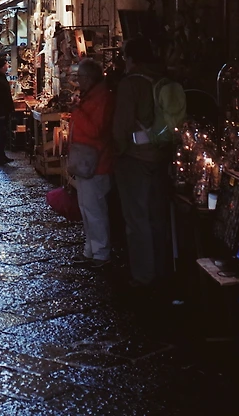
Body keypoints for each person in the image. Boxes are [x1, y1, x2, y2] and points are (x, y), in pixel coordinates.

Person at [111, 37, 173, 293]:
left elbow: (122, 126)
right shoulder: (163, 79)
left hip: (135, 158)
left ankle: (143, 275)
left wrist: (118, 151)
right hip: (161, 154)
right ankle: (162, 269)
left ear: (131, 59)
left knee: (137, 218)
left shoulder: (131, 84)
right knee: (158, 215)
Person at [69, 58, 115, 266]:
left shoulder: (102, 98)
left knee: (94, 209)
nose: (78, 81)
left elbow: (97, 130)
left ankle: (101, 252)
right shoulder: (92, 97)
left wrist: (78, 111)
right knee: (87, 208)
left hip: (96, 162)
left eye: (80, 77)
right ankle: (91, 250)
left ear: (89, 78)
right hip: (86, 161)